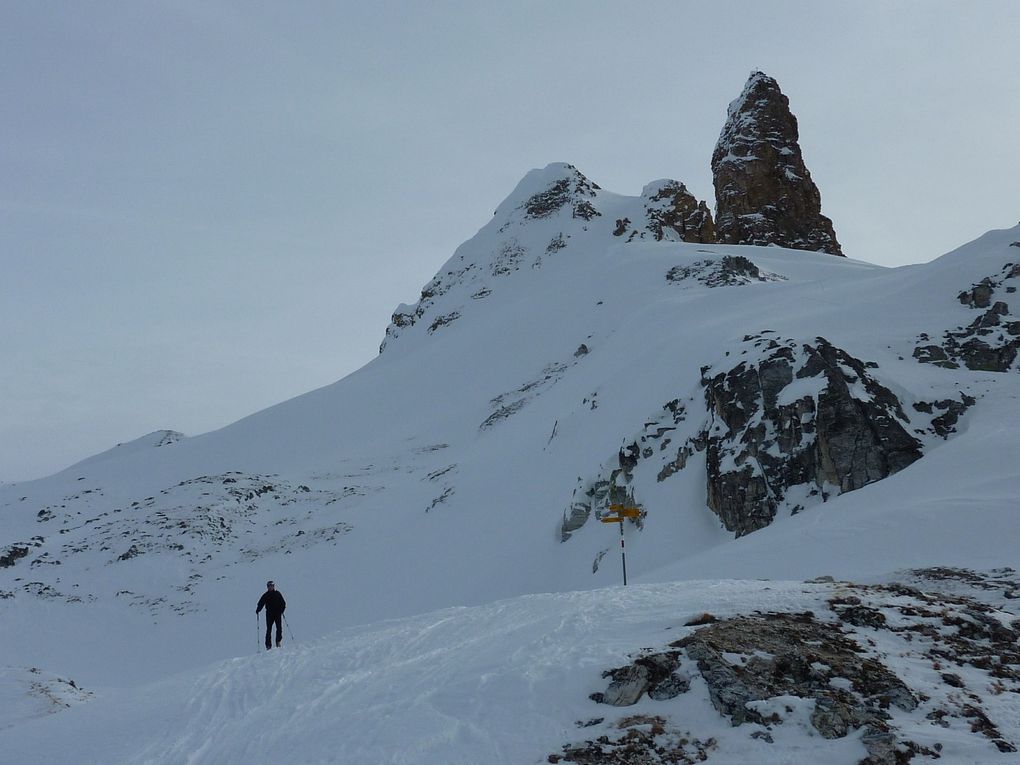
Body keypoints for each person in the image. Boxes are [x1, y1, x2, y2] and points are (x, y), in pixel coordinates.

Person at [256, 580, 286, 650]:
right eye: (269, 586)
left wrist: (281, 610)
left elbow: (283, 603)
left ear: (273, 586)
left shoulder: (278, 594)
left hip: (277, 613)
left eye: (271, 586)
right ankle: (268, 646)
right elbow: (261, 603)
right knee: (269, 629)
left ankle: (278, 642)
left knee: (279, 628)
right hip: (269, 614)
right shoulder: (266, 595)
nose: (270, 587)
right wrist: (258, 609)